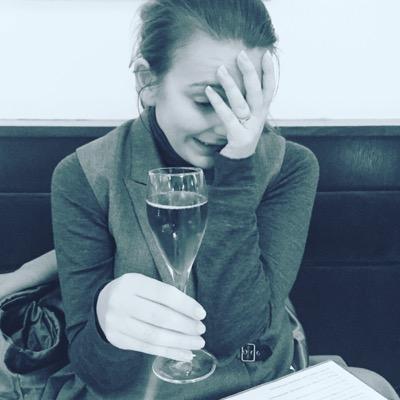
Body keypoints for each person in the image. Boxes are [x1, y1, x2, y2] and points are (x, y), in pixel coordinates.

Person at [2, 1, 398, 399]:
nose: (229, 126)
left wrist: (237, 167)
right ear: (148, 81)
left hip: (261, 382)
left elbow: (231, 336)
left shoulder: (289, 167)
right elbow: (99, 374)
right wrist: (105, 323)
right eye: (207, 102)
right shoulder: (85, 174)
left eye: (245, 100)